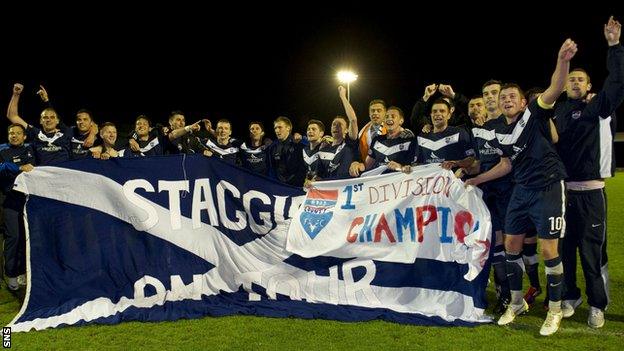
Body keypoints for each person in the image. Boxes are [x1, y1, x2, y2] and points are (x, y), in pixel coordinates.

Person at [465, 38, 578, 336]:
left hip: (549, 187)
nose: (506, 100)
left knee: (548, 248)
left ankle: (554, 310)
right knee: (511, 246)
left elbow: (555, 87)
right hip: (521, 189)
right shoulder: (497, 130)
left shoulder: (533, 114)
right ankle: (516, 302)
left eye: (511, 96)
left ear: (522, 101)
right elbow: (505, 164)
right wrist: (474, 180)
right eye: (502, 98)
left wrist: (563, 60)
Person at [554, 16, 623, 329]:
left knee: (592, 254)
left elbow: (617, 84)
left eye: (581, 80)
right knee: (566, 250)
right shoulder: (557, 110)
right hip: (565, 194)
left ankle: (598, 305)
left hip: (592, 193)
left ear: (589, 86)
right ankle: (571, 296)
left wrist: (614, 46)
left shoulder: (596, 107)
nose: (575, 84)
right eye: (572, 80)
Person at [0, 124, 34, 290]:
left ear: (24, 136)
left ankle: (22, 272)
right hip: (9, 200)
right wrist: (19, 167)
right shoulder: (1, 150)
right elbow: (2, 167)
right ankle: (11, 274)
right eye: (11, 133)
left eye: (18, 133)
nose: (14, 136)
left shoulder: (31, 149)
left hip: (28, 201)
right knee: (13, 237)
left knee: (26, 237)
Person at [7, 83, 73, 165]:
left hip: (64, 173)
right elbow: (12, 116)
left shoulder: (66, 132)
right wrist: (16, 94)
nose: (48, 120)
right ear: (40, 121)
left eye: (52, 117)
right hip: (43, 175)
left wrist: (46, 101)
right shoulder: (35, 133)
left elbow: (92, 126)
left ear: (57, 121)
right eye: (45, 117)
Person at [349, 106, 416, 176]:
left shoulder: (409, 140)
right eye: (386, 117)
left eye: (393, 116)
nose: (389, 119)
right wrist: (357, 164)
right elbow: (367, 166)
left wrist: (400, 168)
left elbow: (417, 170)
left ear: (401, 121)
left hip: (399, 184)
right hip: (378, 184)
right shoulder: (377, 140)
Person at [416, 99, 475, 170]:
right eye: (434, 111)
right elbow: (417, 163)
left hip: (453, 179)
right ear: (431, 115)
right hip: (429, 179)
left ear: (449, 115)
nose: (437, 114)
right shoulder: (422, 137)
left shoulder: (459, 133)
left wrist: (455, 163)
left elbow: (471, 158)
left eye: (442, 111)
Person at [268, 116, 306, 187]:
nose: (277, 130)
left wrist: (303, 139)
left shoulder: (299, 143)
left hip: (297, 188)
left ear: (288, 128)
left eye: (280, 127)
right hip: (279, 187)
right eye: (275, 128)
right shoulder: (273, 147)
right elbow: (272, 169)